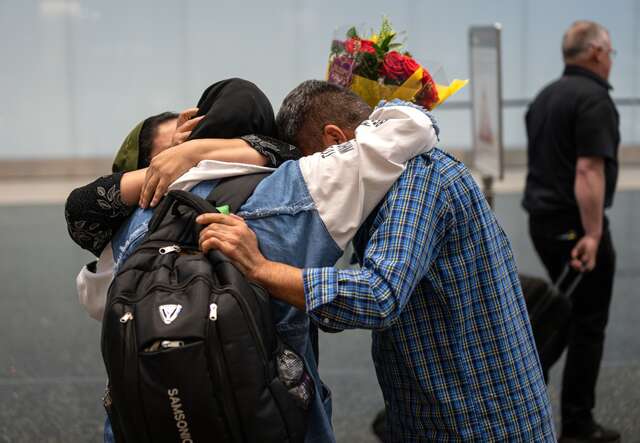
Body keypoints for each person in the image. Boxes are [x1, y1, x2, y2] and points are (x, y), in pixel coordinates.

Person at [67, 79, 439, 443]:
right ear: (266, 136)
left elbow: (92, 296)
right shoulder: (302, 186)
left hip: (152, 420)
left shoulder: (139, 217)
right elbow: (414, 126)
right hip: (264, 420)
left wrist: (184, 155)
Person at [197, 98, 557, 441]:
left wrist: (260, 268)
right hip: (442, 415)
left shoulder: (417, 179)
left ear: (336, 141)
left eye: (312, 172)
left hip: (477, 422)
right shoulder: (388, 182)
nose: (314, 198)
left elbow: (378, 294)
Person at [522, 20, 620, 443]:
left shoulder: (544, 97)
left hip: (542, 222)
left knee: (561, 314)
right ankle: (576, 426)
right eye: (611, 54)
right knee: (585, 323)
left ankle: (520, 400)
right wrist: (593, 235)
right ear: (596, 52)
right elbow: (588, 169)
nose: (611, 62)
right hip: (575, 228)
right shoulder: (594, 100)